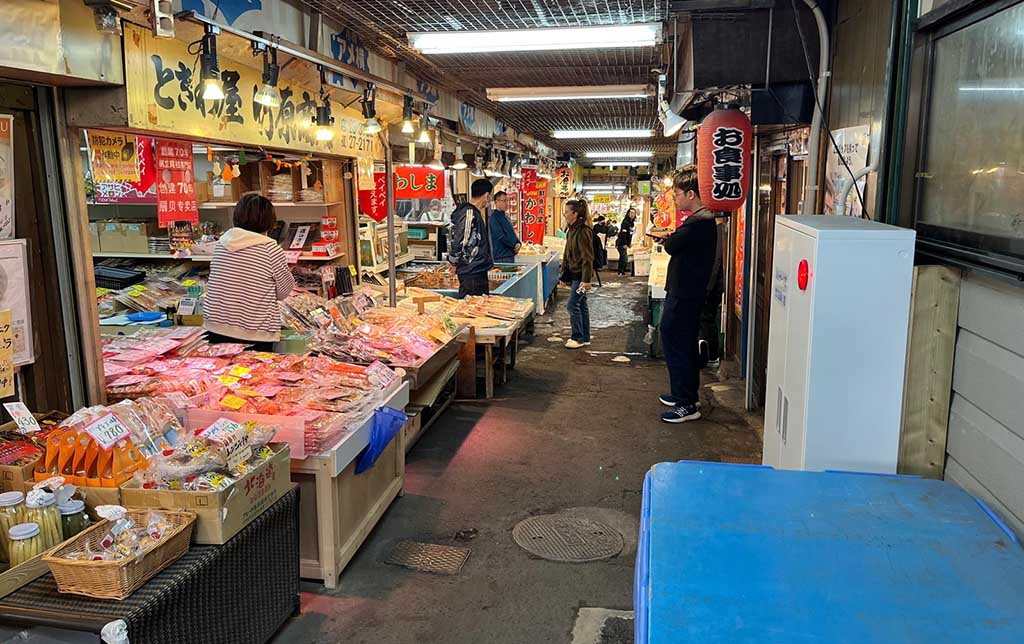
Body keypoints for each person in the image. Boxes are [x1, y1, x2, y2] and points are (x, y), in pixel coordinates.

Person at [654, 165, 717, 423]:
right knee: (683, 343)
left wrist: (671, 239)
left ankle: (686, 404)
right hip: (686, 292)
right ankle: (685, 393)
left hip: (685, 294)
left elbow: (672, 245)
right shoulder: (701, 220)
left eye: (677, 194)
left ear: (691, 194)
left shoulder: (699, 222)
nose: (675, 199)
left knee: (675, 341)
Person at [204, 193, 295, 352]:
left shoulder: (221, 244)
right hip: (255, 332)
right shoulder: (269, 248)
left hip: (215, 328)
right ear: (268, 220)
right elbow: (283, 292)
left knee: (223, 375)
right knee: (254, 375)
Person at [448, 178, 494, 298]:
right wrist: (453, 262)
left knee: (480, 307)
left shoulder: (474, 213)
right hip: (471, 271)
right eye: (490, 197)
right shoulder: (469, 213)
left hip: (476, 269)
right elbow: (461, 239)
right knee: (471, 309)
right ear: (486, 195)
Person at [560, 199, 594, 349]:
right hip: (575, 275)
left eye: (567, 212)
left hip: (581, 277)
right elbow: (568, 253)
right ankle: (585, 336)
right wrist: (564, 275)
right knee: (581, 304)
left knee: (572, 305)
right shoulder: (572, 229)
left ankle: (578, 337)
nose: (565, 214)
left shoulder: (583, 231)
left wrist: (586, 280)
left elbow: (588, 257)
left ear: (575, 214)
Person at [699, 216, 728, 369]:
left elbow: (716, 262)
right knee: (707, 320)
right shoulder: (721, 231)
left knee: (707, 320)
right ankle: (710, 355)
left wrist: (707, 287)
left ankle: (711, 356)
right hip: (715, 284)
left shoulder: (719, 231)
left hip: (713, 286)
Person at [488, 191, 520, 263]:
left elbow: (512, 233)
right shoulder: (494, 218)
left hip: (509, 255)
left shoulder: (506, 217)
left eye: (507, 200)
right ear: (496, 202)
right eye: (504, 201)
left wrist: (518, 243)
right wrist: (514, 246)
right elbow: (501, 237)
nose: (507, 203)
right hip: (501, 257)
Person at [616, 207, 637, 275]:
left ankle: (621, 272)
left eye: (633, 213)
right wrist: (625, 243)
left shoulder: (631, 223)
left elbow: (630, 234)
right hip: (621, 243)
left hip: (625, 243)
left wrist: (629, 243)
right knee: (625, 257)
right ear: (628, 213)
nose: (632, 214)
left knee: (622, 257)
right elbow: (623, 234)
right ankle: (621, 271)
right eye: (631, 213)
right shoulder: (625, 222)